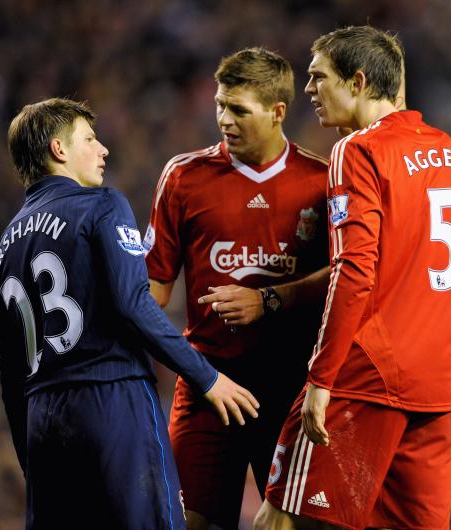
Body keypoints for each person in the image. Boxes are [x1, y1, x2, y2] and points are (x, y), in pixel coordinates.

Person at [256, 26, 451, 530]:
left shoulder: (357, 151)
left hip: (366, 375)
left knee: (280, 519)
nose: (307, 90)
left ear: (356, 82)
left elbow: (353, 270)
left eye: (317, 77)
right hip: (438, 387)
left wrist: (321, 378)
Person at [0, 97, 259, 530]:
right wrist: (207, 378)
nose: (103, 150)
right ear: (59, 150)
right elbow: (134, 304)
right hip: (110, 400)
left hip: (42, 420)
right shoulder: (102, 204)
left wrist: (31, 459)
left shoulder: (3, 248)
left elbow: (9, 372)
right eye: (90, 139)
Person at [143, 48, 330, 530]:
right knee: (184, 521)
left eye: (239, 110)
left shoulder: (321, 182)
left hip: (290, 387)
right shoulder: (183, 178)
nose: (224, 119)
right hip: (209, 383)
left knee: (289, 524)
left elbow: (346, 275)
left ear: (277, 112)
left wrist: (268, 299)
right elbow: (153, 290)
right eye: (220, 105)